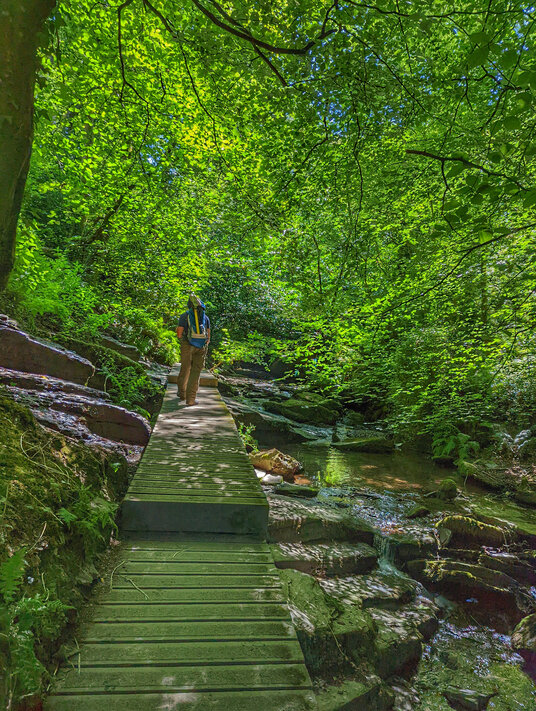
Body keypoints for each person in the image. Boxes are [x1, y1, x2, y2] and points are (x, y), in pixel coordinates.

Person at [176, 294, 211, 405]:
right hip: (201, 346)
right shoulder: (205, 318)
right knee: (195, 372)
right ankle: (191, 399)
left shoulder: (184, 316)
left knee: (185, 368)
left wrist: (183, 340)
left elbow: (179, 333)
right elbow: (208, 336)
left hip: (187, 345)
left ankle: (182, 394)